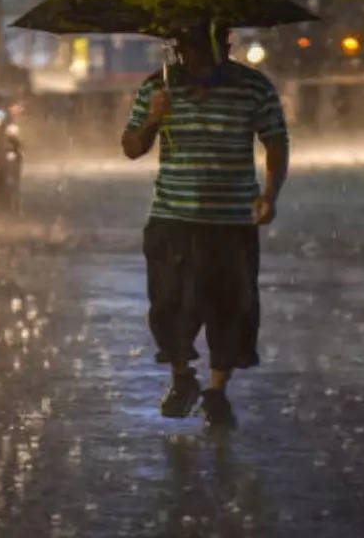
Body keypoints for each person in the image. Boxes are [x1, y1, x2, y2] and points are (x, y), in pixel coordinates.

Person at [120, 21, 290, 429]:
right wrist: (153, 120)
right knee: (168, 307)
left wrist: (270, 193)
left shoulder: (254, 87)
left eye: (203, 44)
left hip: (231, 221)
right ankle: (183, 378)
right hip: (172, 218)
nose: (194, 55)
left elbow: (276, 141)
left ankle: (216, 391)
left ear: (224, 43)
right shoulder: (156, 88)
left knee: (229, 309)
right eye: (187, 46)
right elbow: (131, 148)